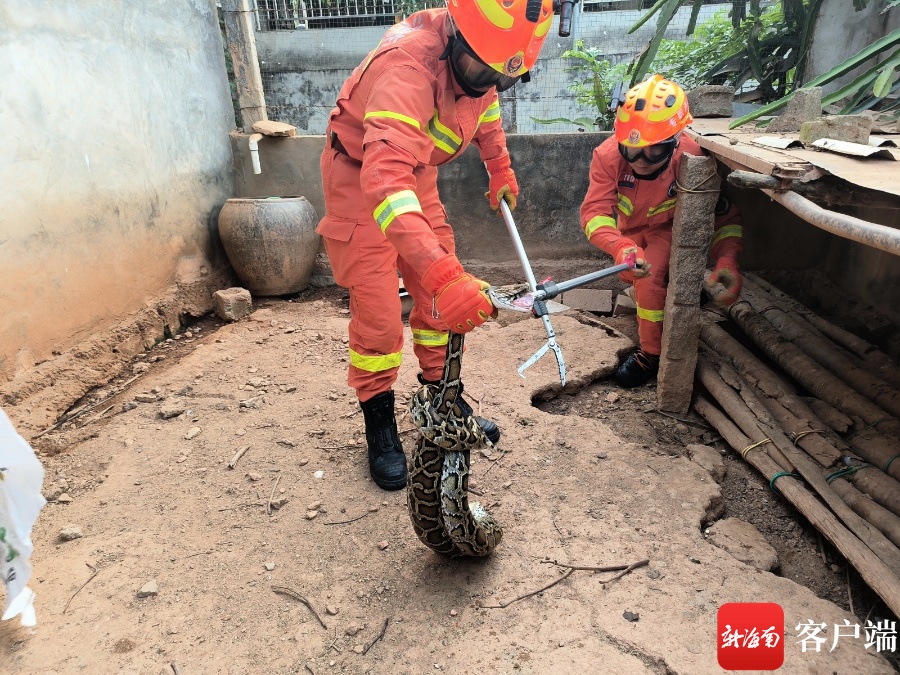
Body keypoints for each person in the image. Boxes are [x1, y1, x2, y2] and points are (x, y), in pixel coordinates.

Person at [316, 0, 555, 490]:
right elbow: (383, 182)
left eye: (501, 76)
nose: (485, 80)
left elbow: (483, 105)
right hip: (362, 173)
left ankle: (441, 397)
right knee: (381, 318)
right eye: (476, 67)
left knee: (435, 305)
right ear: (456, 38)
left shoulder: (485, 65)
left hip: (415, 170)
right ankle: (380, 423)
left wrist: (498, 164)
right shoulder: (407, 66)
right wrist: (446, 276)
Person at [580, 74, 744, 388]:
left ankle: (651, 353)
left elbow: (726, 219)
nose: (640, 160)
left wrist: (728, 261)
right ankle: (670, 291)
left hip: (667, 230)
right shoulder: (607, 156)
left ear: (674, 140)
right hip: (629, 233)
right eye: (632, 149)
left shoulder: (694, 158)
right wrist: (620, 247)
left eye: (654, 151)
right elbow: (593, 215)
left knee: (648, 278)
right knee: (631, 273)